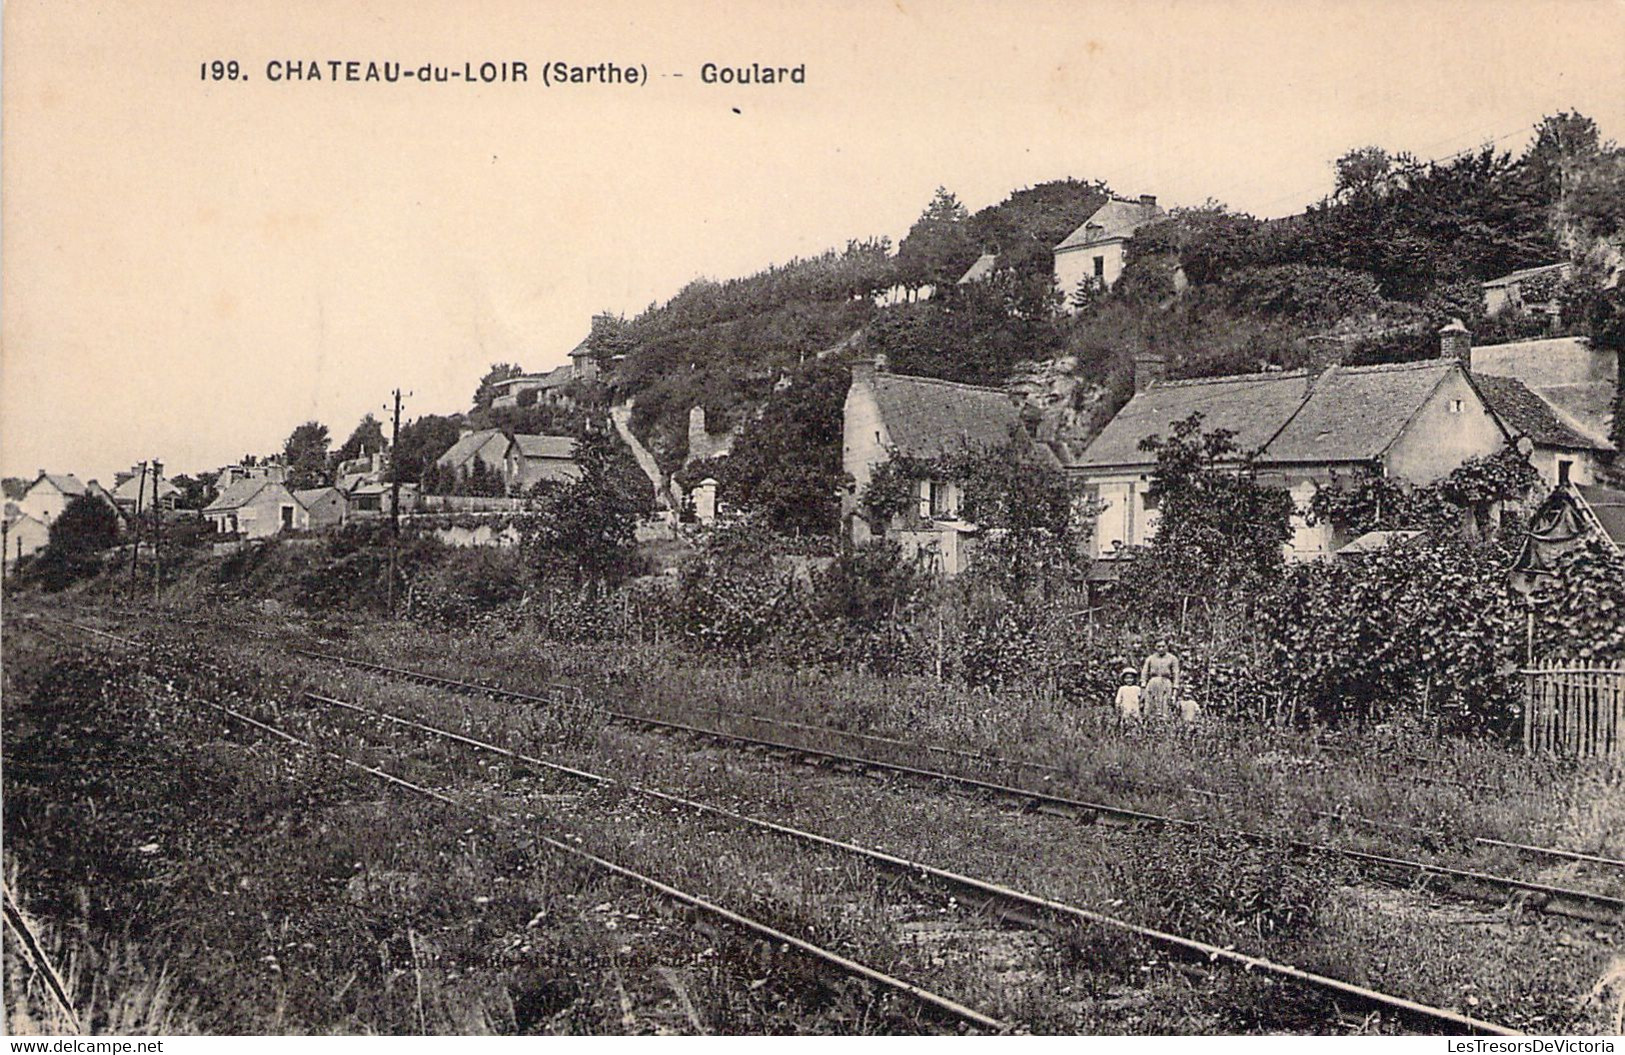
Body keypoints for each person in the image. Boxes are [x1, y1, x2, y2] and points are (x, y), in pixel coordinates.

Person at [1141, 639, 1180, 720]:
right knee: (1150, 708)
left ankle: (1164, 728)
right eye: (1159, 646)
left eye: (1163, 646)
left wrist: (1174, 693)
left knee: (1165, 707)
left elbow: (1176, 675)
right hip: (1152, 684)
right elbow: (1144, 673)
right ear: (1155, 647)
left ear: (1167, 647)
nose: (1161, 649)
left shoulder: (1173, 659)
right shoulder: (1150, 659)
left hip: (1166, 684)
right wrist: (1143, 689)